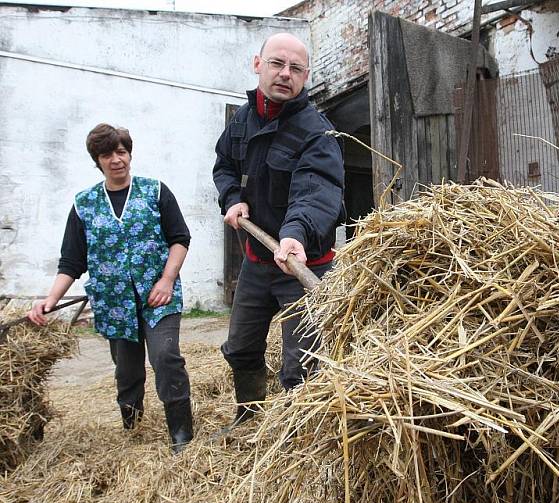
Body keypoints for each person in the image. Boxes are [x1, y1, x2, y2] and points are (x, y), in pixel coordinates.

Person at [28, 123, 194, 454]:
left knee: (166, 357)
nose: (117, 160)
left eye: (122, 151)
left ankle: (181, 435)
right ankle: (132, 428)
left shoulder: (154, 191)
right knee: (127, 371)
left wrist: (166, 279)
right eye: (107, 154)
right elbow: (72, 262)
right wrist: (50, 300)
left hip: (157, 296)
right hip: (114, 303)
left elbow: (180, 239)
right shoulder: (84, 204)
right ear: (98, 160)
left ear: (129, 153)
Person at [213, 32, 344, 426]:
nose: (285, 74)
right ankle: (249, 417)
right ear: (258, 64)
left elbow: (317, 191)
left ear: (305, 76)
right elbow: (223, 166)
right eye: (276, 64)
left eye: (296, 68)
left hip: (304, 266)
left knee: (302, 363)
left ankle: (296, 434)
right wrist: (231, 197)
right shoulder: (243, 119)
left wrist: (295, 234)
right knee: (240, 347)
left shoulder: (317, 131)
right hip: (257, 263)